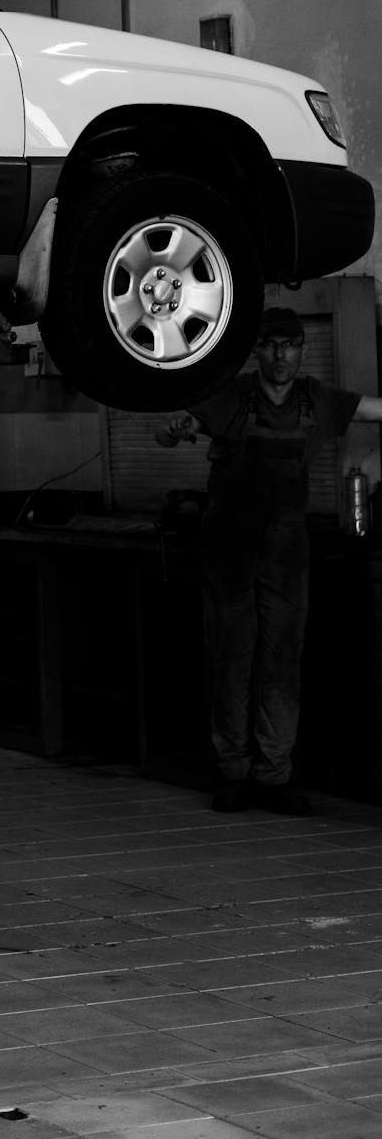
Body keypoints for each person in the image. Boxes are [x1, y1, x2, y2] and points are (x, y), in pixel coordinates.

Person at [158, 307, 382, 816]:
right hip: (229, 547)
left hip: (286, 549)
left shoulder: (316, 400)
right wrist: (173, 430)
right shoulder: (232, 396)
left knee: (282, 659)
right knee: (231, 656)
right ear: (257, 350)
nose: (281, 355)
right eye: (272, 345)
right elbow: (171, 431)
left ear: (302, 350)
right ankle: (232, 773)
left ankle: (274, 776)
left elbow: (373, 409)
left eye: (290, 345)